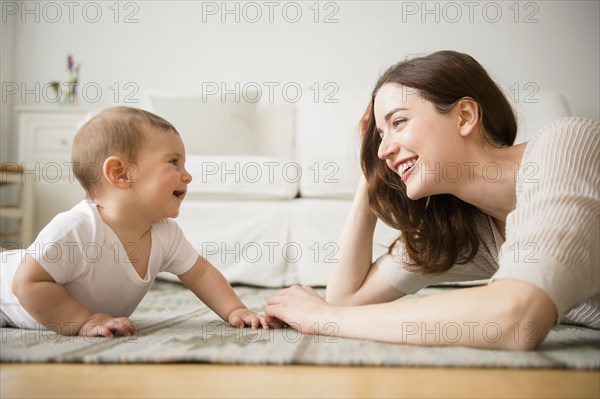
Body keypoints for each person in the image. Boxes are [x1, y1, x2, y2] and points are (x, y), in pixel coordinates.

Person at [265, 50, 599, 350]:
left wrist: (324, 321)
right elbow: (346, 299)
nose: (383, 150)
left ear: (465, 116)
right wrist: (370, 178)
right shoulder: (468, 227)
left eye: (399, 122)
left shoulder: (569, 145)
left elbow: (516, 317)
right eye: (380, 136)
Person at [1, 106, 274, 337]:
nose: (187, 175)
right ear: (120, 173)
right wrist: (84, 319)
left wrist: (234, 310)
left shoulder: (166, 234)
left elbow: (200, 274)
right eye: (173, 162)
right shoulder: (77, 229)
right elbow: (26, 283)